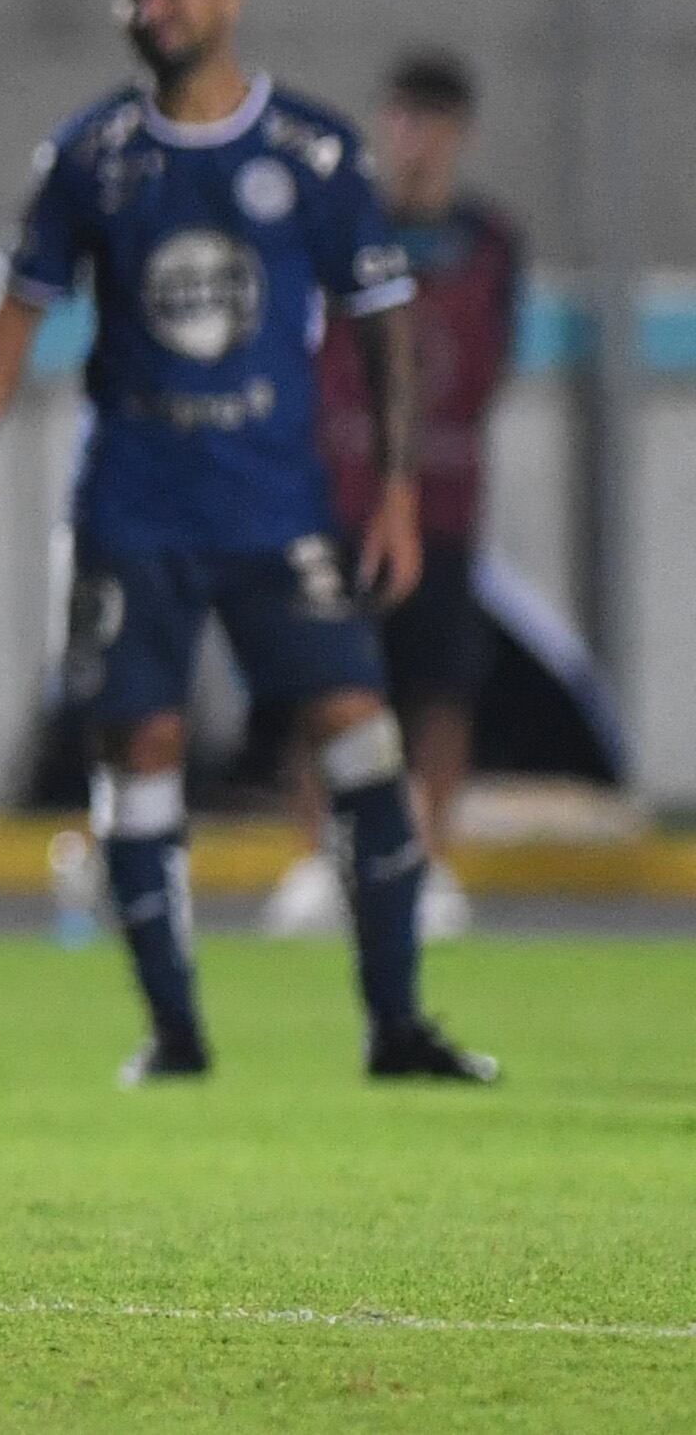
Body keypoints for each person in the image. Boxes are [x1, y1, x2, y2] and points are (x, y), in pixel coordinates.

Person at [0, 0, 493, 1088]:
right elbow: (14, 311)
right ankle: (175, 1033)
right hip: (132, 506)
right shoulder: (91, 157)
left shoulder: (313, 154)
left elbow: (379, 323)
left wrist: (392, 490)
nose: (155, 8)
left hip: (273, 506)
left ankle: (395, 1024)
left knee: (356, 732)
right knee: (139, 742)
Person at [266, 52, 521, 944]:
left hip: (440, 501)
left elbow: (491, 364)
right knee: (323, 679)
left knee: (438, 687)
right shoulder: (340, 226)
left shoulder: (489, 244)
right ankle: (316, 860)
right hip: (335, 493)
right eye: (405, 119)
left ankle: (430, 859)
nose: (418, 141)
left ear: (460, 132)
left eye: (435, 122)